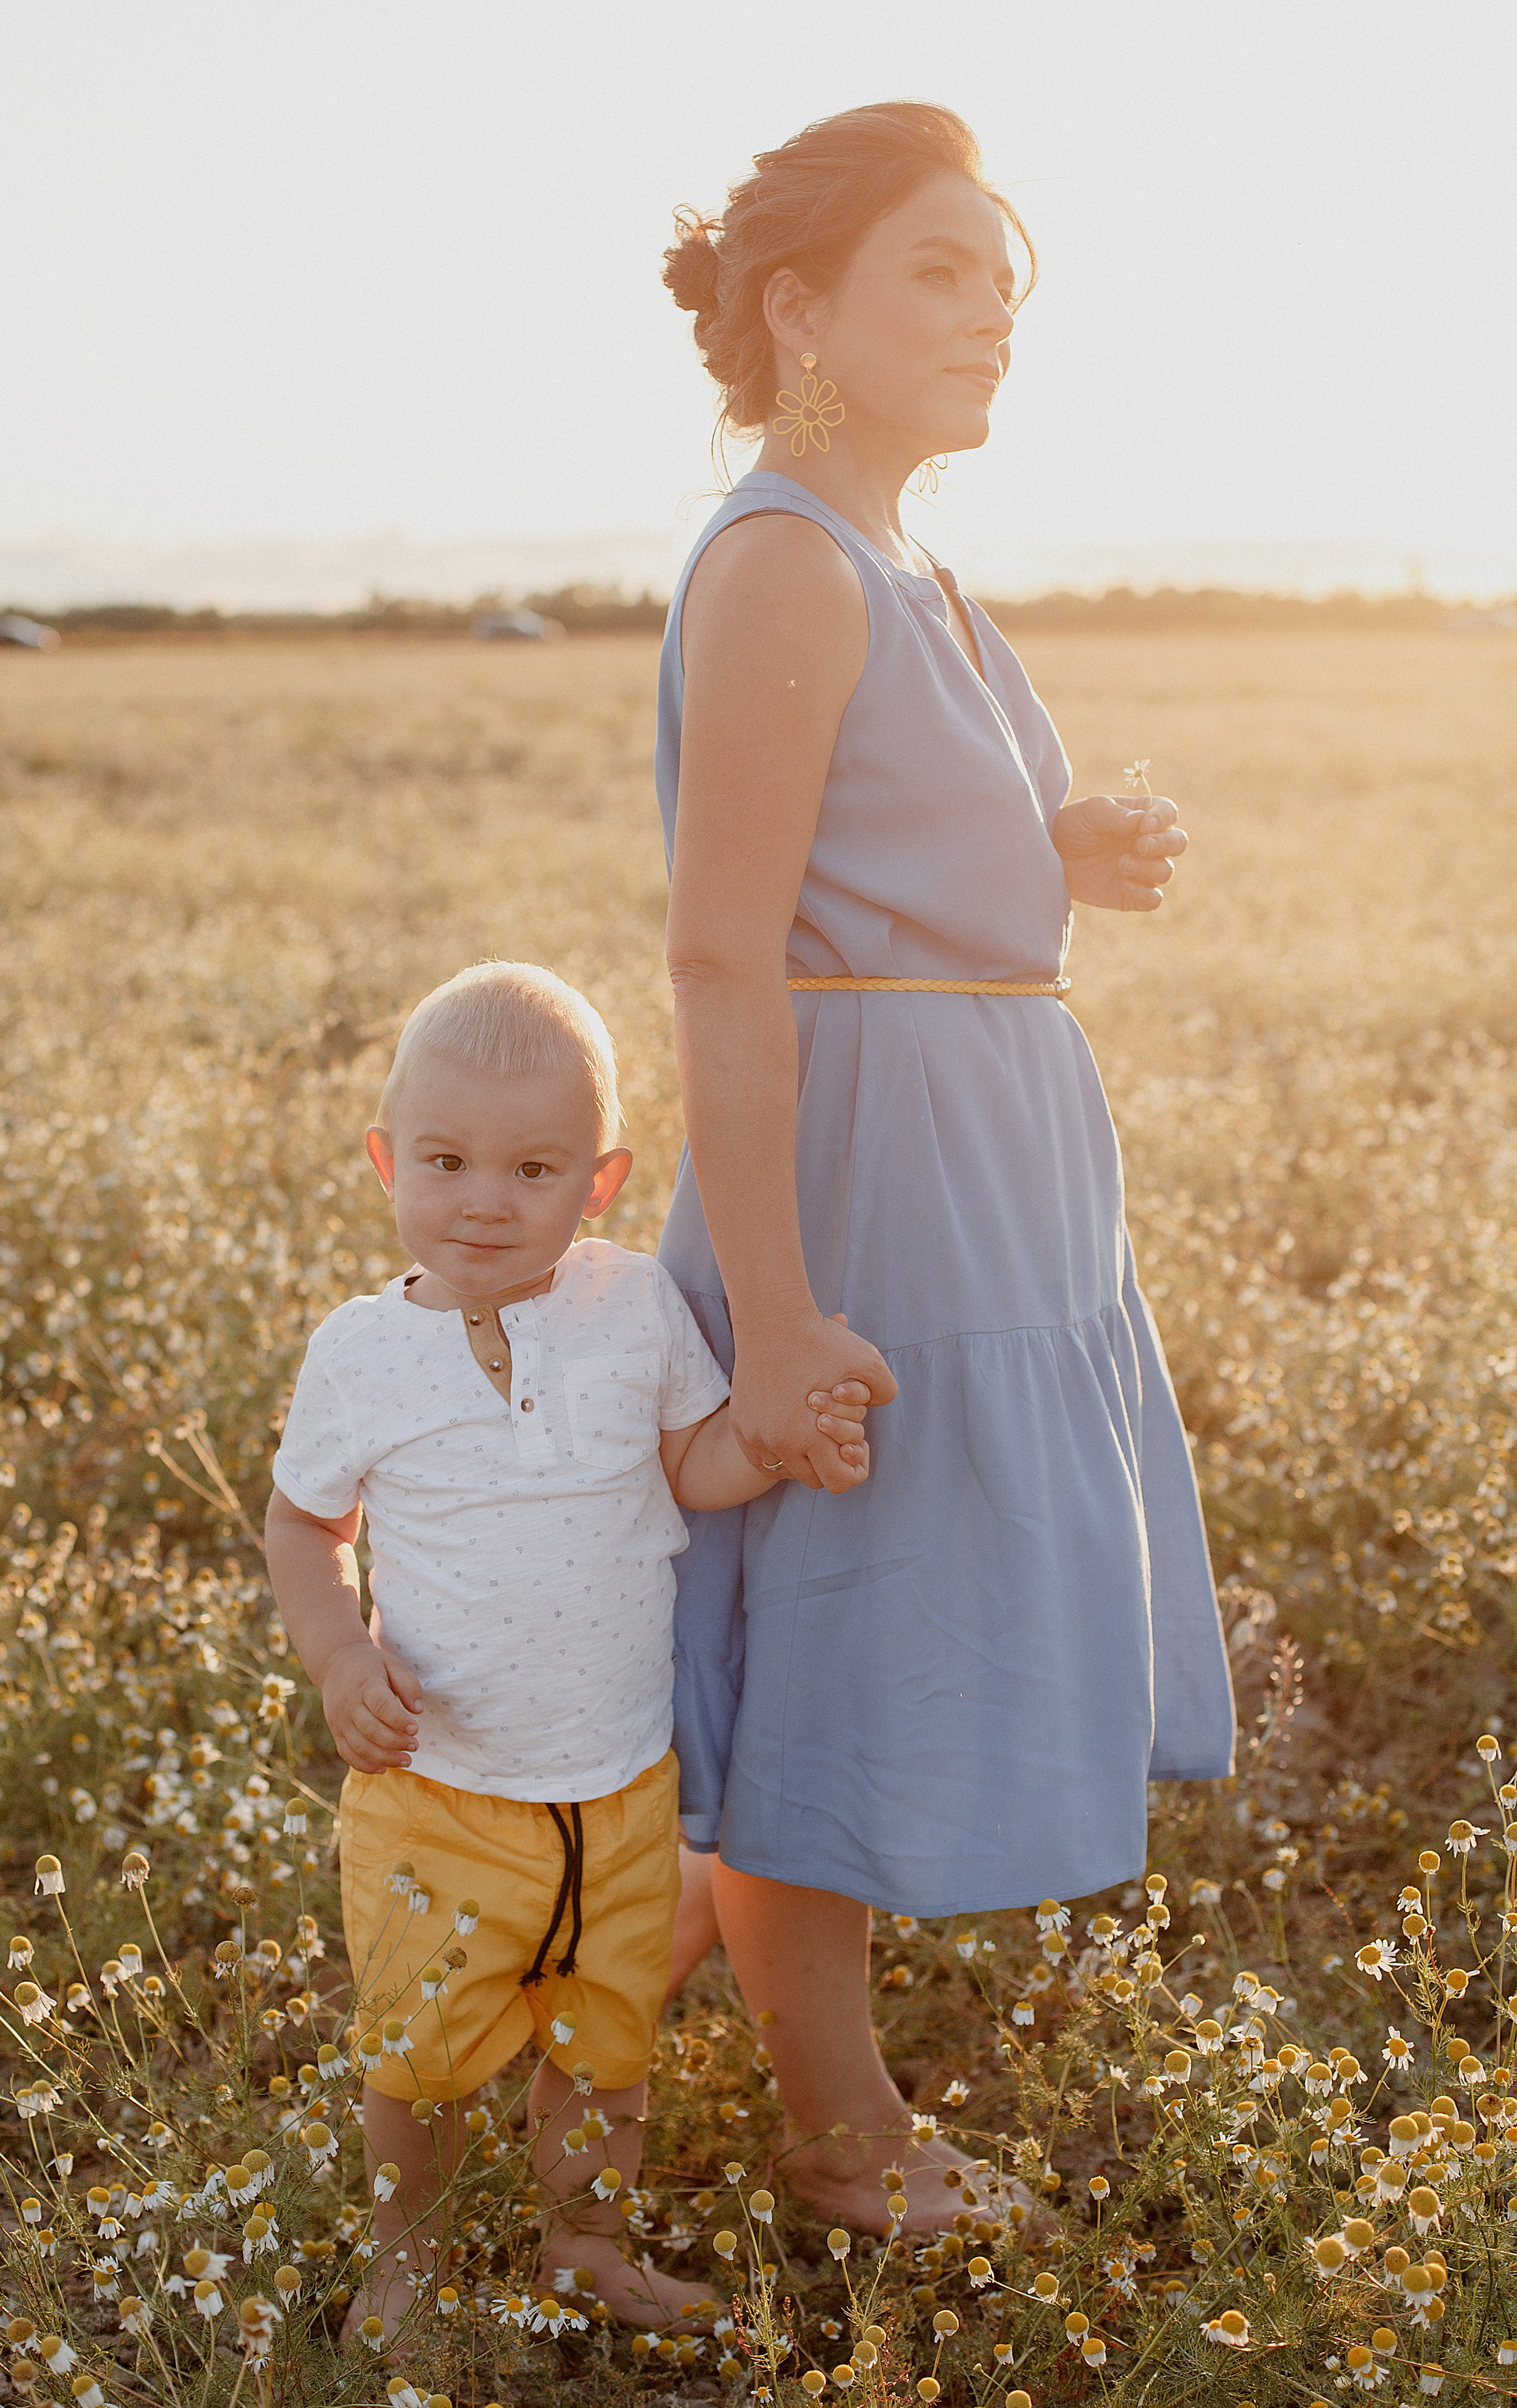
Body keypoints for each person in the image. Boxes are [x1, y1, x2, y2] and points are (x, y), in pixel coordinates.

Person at [655, 101, 1236, 2234]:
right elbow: (726, 952)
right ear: (800, 309)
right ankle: (841, 2140)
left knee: (873, 1611)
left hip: (990, 1169)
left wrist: (1054, 849)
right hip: (869, 1180)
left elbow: (878, 853)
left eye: (1009, 280)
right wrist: (778, 1313)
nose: (994, 313)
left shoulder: (902, 558)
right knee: (832, 1624)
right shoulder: (790, 561)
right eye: (941, 269)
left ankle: (584, 2017)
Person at [264, 961, 869, 2342]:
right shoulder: (360, 1352)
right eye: (446, 1162)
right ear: (386, 1162)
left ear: (599, 1184)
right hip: (441, 1788)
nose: (484, 1200)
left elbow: (694, 1465)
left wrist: (779, 1441)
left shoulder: (634, 1305)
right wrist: (342, 1659)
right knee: (417, 2061)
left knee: (606, 2051)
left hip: (617, 1787)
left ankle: (585, 2246)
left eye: (531, 1169)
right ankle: (408, 2262)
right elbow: (304, 1527)